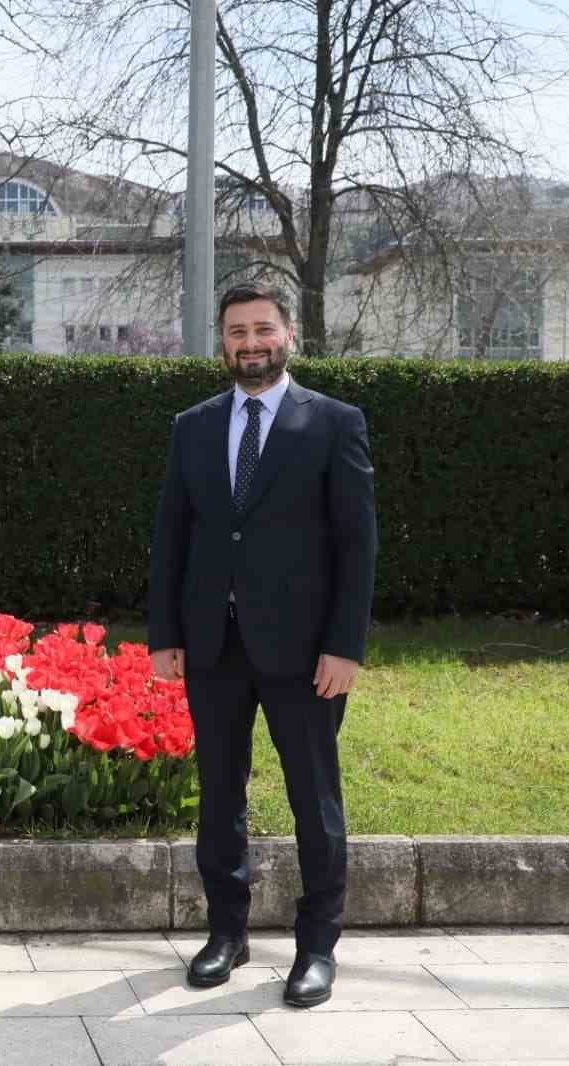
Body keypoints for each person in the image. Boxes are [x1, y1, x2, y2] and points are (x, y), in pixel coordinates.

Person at [148, 282, 377, 1008]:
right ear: (222, 341)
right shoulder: (193, 426)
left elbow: (357, 545)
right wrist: (166, 635)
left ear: (289, 334)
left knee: (315, 799)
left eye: (263, 329)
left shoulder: (335, 423)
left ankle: (317, 949)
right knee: (220, 798)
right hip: (213, 647)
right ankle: (227, 932)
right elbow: (171, 539)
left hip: (307, 653)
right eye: (237, 331)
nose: (250, 343)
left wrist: (345, 647)